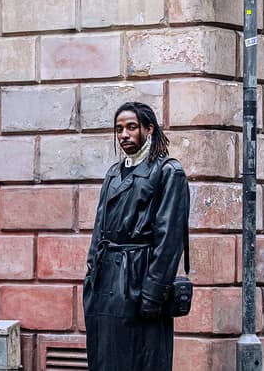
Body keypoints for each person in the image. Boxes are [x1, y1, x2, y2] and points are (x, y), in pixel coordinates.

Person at [83, 101, 190, 371]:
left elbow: (169, 241)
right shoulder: (113, 173)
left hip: (139, 279)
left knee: (142, 359)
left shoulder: (168, 172)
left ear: (148, 128)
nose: (124, 135)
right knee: (107, 359)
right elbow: (99, 228)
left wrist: (153, 294)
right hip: (106, 281)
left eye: (131, 127)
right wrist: (91, 275)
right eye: (119, 129)